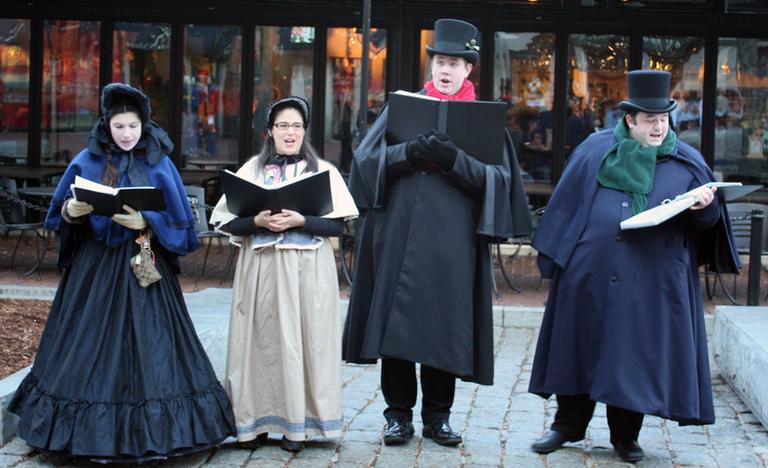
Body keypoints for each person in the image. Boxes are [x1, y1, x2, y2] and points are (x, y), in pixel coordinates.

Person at [8, 83, 236, 463]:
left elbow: (182, 224)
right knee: (86, 345)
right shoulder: (86, 160)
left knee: (152, 347)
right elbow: (59, 213)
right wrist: (71, 212)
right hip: (95, 269)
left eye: (132, 126)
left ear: (143, 125)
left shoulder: (159, 162)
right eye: (119, 127)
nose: (127, 134)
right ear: (107, 127)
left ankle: (158, 432)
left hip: (142, 265)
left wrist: (146, 219)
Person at [528, 70, 740, 463]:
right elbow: (566, 205)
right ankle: (567, 426)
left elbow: (707, 230)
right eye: (649, 119)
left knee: (632, 355)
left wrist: (705, 209)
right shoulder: (594, 150)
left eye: (663, 119)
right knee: (577, 346)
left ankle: (625, 436)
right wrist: (560, 258)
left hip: (650, 280)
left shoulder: (688, 163)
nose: (658, 127)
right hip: (588, 273)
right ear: (630, 120)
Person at [342, 18, 532, 447]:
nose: (446, 70)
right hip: (398, 234)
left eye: (455, 63)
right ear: (432, 67)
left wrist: (454, 161)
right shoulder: (403, 107)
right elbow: (366, 162)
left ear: (469, 71)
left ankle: (437, 417)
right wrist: (407, 152)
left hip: (453, 244)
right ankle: (397, 416)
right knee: (395, 324)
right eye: (440, 62)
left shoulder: (485, 122)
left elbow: (499, 181)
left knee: (444, 325)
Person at [209, 96, 358, 452]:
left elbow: (339, 227)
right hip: (261, 269)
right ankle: (254, 423)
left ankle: (298, 426)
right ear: (270, 132)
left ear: (304, 131)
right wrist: (258, 220)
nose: (289, 132)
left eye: (296, 126)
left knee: (301, 344)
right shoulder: (251, 171)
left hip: (306, 271)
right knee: (259, 343)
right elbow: (229, 221)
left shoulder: (323, 171)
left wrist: (302, 220)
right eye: (282, 126)